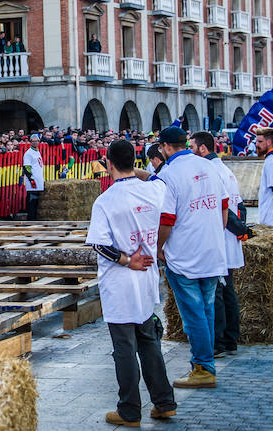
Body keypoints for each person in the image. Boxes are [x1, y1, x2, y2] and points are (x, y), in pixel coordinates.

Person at [85, 140, 176, 427]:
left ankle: (129, 409)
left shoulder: (106, 200)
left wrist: (126, 260)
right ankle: (164, 401)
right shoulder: (152, 190)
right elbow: (159, 177)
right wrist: (134, 169)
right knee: (148, 340)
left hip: (121, 280)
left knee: (124, 346)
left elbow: (99, 245)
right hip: (146, 277)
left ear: (108, 163)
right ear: (135, 162)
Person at [157, 126, 228, 388]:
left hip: (186, 254)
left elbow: (166, 219)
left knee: (194, 313)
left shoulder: (169, 173)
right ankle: (205, 363)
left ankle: (203, 366)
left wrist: (157, 247)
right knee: (206, 309)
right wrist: (216, 236)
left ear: (165, 147)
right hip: (211, 250)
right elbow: (223, 206)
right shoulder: (209, 166)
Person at [190, 131, 244, 359]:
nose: (190, 151)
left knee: (219, 291)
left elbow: (225, 209)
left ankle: (220, 340)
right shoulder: (225, 170)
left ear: (203, 149)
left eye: (192, 147)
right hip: (227, 236)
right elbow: (239, 206)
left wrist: (238, 229)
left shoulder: (210, 171)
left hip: (221, 236)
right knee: (227, 288)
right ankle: (231, 337)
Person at [22, 134, 45, 220]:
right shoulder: (28, 153)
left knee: (36, 202)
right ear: (30, 142)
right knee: (32, 201)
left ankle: (35, 219)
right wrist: (31, 179)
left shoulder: (37, 151)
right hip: (33, 180)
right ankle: (31, 219)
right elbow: (26, 167)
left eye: (37, 141)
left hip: (38, 179)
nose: (35, 142)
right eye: (33, 141)